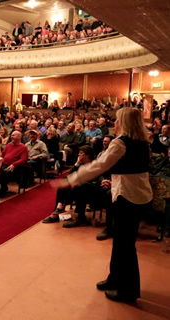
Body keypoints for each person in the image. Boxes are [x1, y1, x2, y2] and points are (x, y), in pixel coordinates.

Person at [52, 108, 152, 303]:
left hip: (128, 198)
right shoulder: (141, 142)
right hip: (138, 196)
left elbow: (99, 166)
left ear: (124, 122)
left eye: (117, 120)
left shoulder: (120, 143)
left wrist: (73, 179)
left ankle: (128, 291)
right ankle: (115, 278)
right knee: (120, 242)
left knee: (125, 247)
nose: (114, 123)